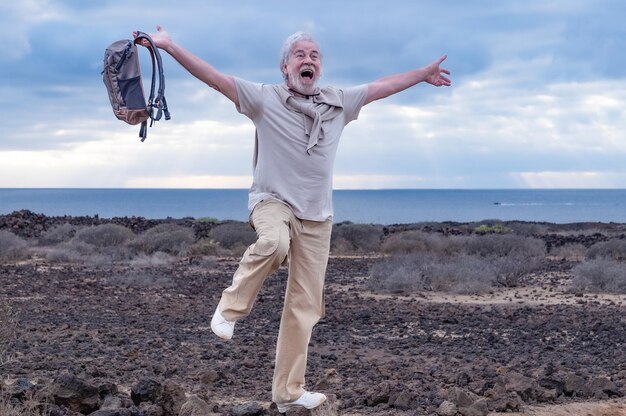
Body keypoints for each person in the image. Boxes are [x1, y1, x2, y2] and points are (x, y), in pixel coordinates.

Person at [135, 25, 451, 412]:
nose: (308, 60)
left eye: (315, 55)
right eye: (300, 55)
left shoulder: (339, 103)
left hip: (319, 218)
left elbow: (383, 85)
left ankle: (288, 393)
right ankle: (229, 308)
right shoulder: (264, 99)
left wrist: (421, 74)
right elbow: (214, 78)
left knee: (305, 307)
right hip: (273, 202)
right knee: (273, 243)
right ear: (285, 67)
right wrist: (168, 46)